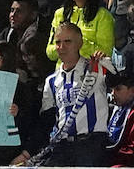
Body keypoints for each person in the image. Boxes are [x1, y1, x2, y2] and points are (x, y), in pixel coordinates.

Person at [33, 21, 110, 167]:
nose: (62, 47)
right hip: (63, 147)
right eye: (58, 42)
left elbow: (121, 84)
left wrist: (106, 62)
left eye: (67, 41)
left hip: (91, 144)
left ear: (80, 43)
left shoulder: (97, 69)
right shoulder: (51, 81)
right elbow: (47, 120)